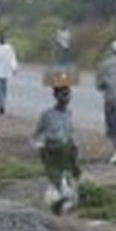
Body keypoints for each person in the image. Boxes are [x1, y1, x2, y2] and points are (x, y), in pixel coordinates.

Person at [31, 84, 80, 214]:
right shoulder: (47, 114)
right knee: (56, 179)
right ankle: (57, 203)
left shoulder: (69, 114)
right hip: (52, 151)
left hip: (67, 151)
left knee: (72, 178)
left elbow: (70, 133)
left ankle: (62, 204)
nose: (66, 97)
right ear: (55, 96)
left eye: (68, 94)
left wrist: (75, 147)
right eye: (63, 94)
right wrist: (40, 147)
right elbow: (37, 134)